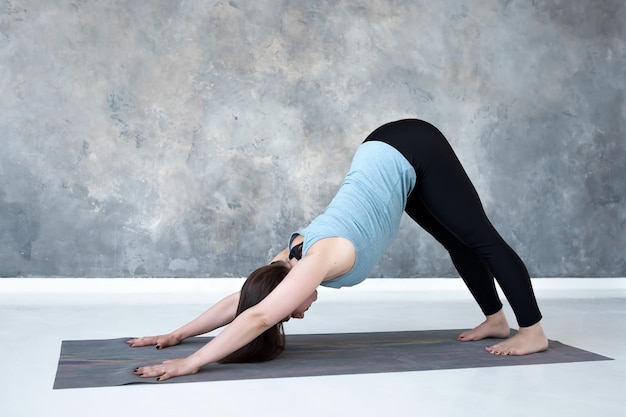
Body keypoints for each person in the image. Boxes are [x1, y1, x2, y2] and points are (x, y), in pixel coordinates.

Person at [128, 119, 548, 381]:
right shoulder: (286, 259)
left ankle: (532, 332)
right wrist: (178, 333)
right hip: (386, 157)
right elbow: (246, 301)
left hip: (411, 145)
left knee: (481, 238)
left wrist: (191, 363)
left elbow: (259, 315)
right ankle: (495, 320)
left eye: (292, 310)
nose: (300, 312)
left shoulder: (317, 259)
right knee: (456, 241)